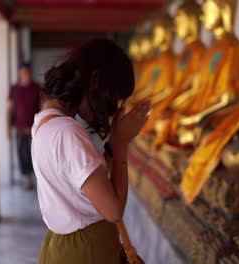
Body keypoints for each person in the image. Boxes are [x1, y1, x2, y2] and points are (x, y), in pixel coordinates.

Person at [31, 39, 150, 264]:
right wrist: (120, 142)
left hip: (68, 245)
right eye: (110, 99)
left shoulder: (45, 121)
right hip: (86, 251)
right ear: (94, 82)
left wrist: (110, 148)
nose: (110, 110)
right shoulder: (67, 132)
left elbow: (88, 186)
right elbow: (113, 210)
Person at [7, 62, 41, 189]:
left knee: (36, 155)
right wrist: (7, 128)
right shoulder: (14, 89)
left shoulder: (37, 88)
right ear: (19, 73)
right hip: (20, 129)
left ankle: (39, 181)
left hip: (35, 129)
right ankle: (29, 181)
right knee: (22, 156)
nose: (27, 74)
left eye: (28, 72)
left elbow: (44, 106)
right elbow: (10, 109)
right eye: (24, 72)